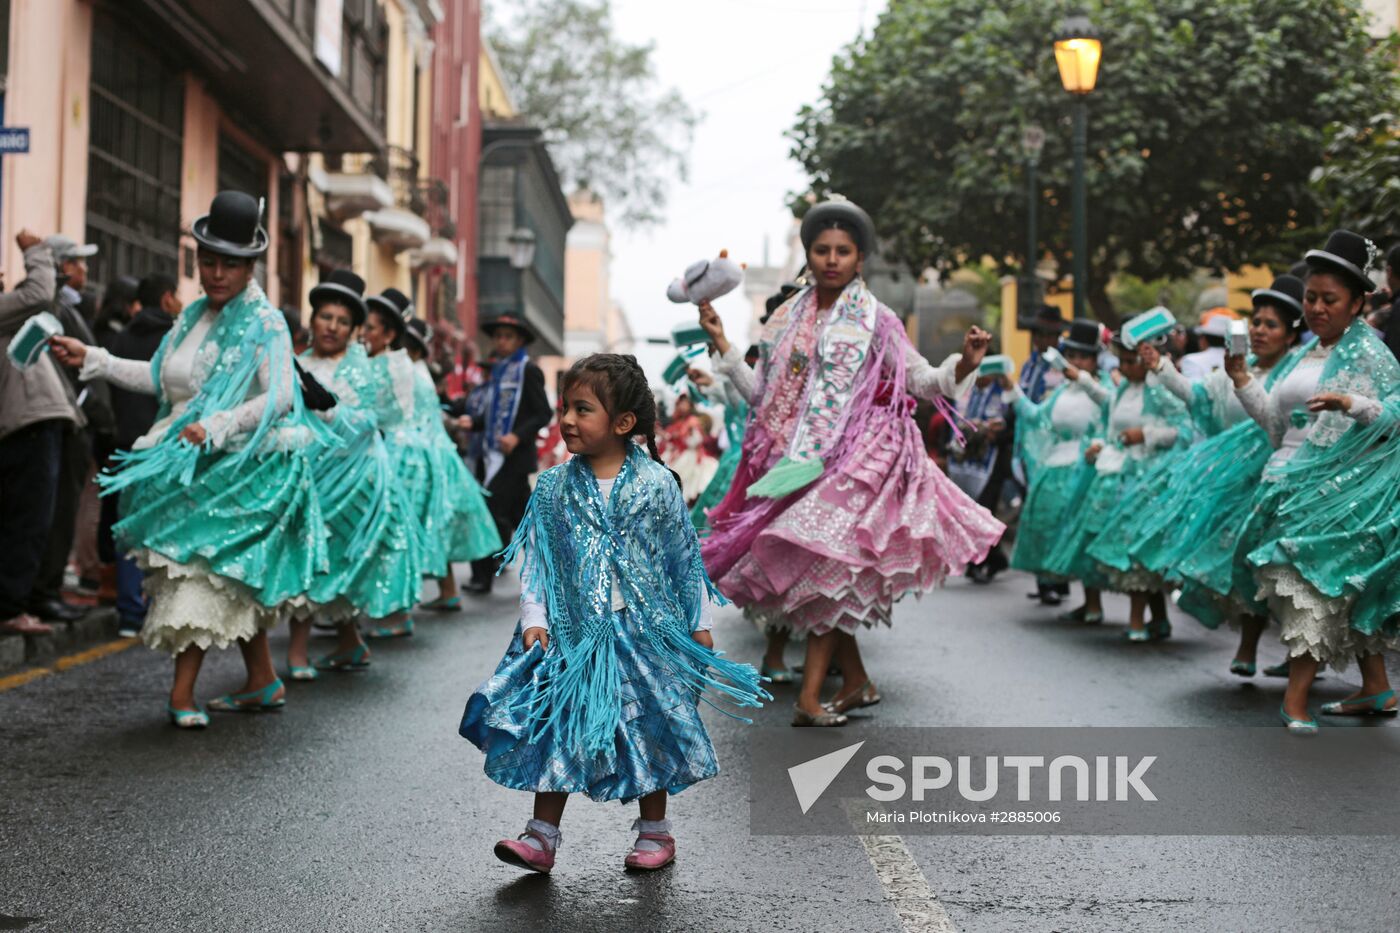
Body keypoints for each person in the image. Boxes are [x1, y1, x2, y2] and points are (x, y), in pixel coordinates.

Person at [697, 199, 1004, 726]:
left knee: (826, 569)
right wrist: (723, 342)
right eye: (822, 250)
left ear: (860, 259)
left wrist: (965, 365)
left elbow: (922, 381)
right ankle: (856, 681)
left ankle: (811, 699)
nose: (832, 260)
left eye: (843, 251)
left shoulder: (878, 320)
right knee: (827, 577)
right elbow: (763, 396)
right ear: (809, 256)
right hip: (797, 465)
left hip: (857, 463)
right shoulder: (785, 320)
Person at [460, 353, 767, 874]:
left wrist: (700, 624)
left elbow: (683, 560)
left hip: (647, 633)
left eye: (583, 409)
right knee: (556, 726)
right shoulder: (554, 487)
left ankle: (655, 834)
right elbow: (539, 560)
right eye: (565, 408)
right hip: (572, 635)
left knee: (648, 725)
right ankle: (541, 836)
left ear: (623, 424)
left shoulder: (657, 484)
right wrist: (535, 615)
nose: (568, 420)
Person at [50, 190, 330, 728]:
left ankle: (181, 693)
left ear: (250, 266)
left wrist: (219, 425)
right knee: (226, 583)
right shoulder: (192, 315)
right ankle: (262, 680)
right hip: (178, 464)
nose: (217, 273)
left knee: (198, 576)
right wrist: (95, 358)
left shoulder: (265, 322)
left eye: (230, 263)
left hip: (233, 473)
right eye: (209, 261)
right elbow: (159, 377)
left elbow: (280, 398)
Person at [1228, 230, 1400, 733]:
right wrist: (1241, 379)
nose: (1318, 308)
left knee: (1315, 588)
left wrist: (1353, 404)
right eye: (1312, 297)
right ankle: (1375, 687)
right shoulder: (1309, 352)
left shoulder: (1369, 353)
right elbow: (1278, 426)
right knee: (1332, 588)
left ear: (1358, 302)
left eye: (1330, 299)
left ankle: (1296, 699)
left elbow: (1396, 413)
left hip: (1338, 494)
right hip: (1284, 484)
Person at [1121, 275, 1307, 676]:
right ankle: (1249, 646)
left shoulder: (1298, 375)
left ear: (1292, 334)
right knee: (1237, 562)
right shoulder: (1235, 367)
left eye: (1270, 324)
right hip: (1231, 484)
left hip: (1279, 483)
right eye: (1255, 322)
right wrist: (1161, 367)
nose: (1258, 330)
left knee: (1275, 568)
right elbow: (1199, 398)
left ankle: (1289, 651)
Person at [1050, 332, 1191, 639]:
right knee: (1121, 546)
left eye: (1130, 361)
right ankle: (1157, 619)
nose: (1124, 368)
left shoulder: (1161, 390)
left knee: (1136, 550)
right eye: (1122, 361)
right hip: (1116, 477)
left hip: (1148, 480)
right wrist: (1101, 445)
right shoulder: (1124, 388)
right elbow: (1113, 428)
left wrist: (1147, 434)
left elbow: (1183, 430)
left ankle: (1138, 621)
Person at [30, 234, 114, 623]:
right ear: (61, 266)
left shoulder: (68, 307)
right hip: (69, 422)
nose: (85, 270)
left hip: (78, 423)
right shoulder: (53, 307)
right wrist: (84, 408)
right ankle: (43, 590)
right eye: (78, 262)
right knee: (58, 509)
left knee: (65, 509)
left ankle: (46, 589)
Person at [1002, 320, 1109, 614]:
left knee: (1082, 533)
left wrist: (1100, 445)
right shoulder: (1062, 391)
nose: (1076, 362)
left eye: (1083, 357)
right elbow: (1037, 418)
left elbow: (1114, 420)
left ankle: (1094, 602)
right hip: (1056, 469)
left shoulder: (1103, 389)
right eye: (1071, 356)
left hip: (1089, 469)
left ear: (1094, 360)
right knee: (1050, 529)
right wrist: (1013, 390)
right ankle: (1073, 595)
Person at [400, 314, 501, 613]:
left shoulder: (409, 371)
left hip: (419, 455)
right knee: (433, 524)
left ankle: (400, 605)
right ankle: (448, 590)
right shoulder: (419, 371)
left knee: (413, 524)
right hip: (436, 454)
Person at [0, 230, 71, 636]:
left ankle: (15, 601)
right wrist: (35, 251)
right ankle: (10, 607)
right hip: (25, 427)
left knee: (29, 519)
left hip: (30, 424)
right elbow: (39, 294)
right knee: (27, 520)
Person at [102, 272, 179, 637]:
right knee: (165, 524)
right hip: (163, 445)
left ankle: (130, 611)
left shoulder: (122, 336)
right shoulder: (175, 337)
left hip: (124, 440)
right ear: (166, 299)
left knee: (128, 525)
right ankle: (163, 606)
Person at [464, 312, 552, 595]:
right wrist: (473, 422)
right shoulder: (499, 371)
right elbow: (492, 416)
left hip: (514, 460)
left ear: (520, 341)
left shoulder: (528, 370)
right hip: (494, 457)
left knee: (487, 513)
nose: (502, 342)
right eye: (499, 336)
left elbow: (542, 413)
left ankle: (482, 576)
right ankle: (553, 572)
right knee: (524, 522)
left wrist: (517, 435)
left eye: (508, 337)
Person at [1018, 305, 1070, 605]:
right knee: (1037, 512)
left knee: (1052, 514)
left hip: (1054, 447)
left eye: (1045, 333)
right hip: (1029, 447)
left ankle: (1054, 578)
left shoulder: (1062, 364)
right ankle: (1045, 577)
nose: (1039, 339)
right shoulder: (1030, 364)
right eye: (1037, 333)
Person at [946, 370, 1013, 582]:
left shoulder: (1003, 395)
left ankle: (978, 561)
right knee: (971, 513)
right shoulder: (968, 394)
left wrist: (993, 433)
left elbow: (1010, 428)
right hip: (967, 463)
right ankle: (996, 558)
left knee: (983, 513)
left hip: (992, 466)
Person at [659, 392, 718, 505]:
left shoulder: (692, 421)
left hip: (690, 455)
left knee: (683, 480)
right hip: (678, 453)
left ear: (690, 404)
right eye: (680, 403)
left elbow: (695, 441)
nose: (682, 406)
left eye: (684, 403)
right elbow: (672, 438)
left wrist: (686, 436)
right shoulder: (679, 421)